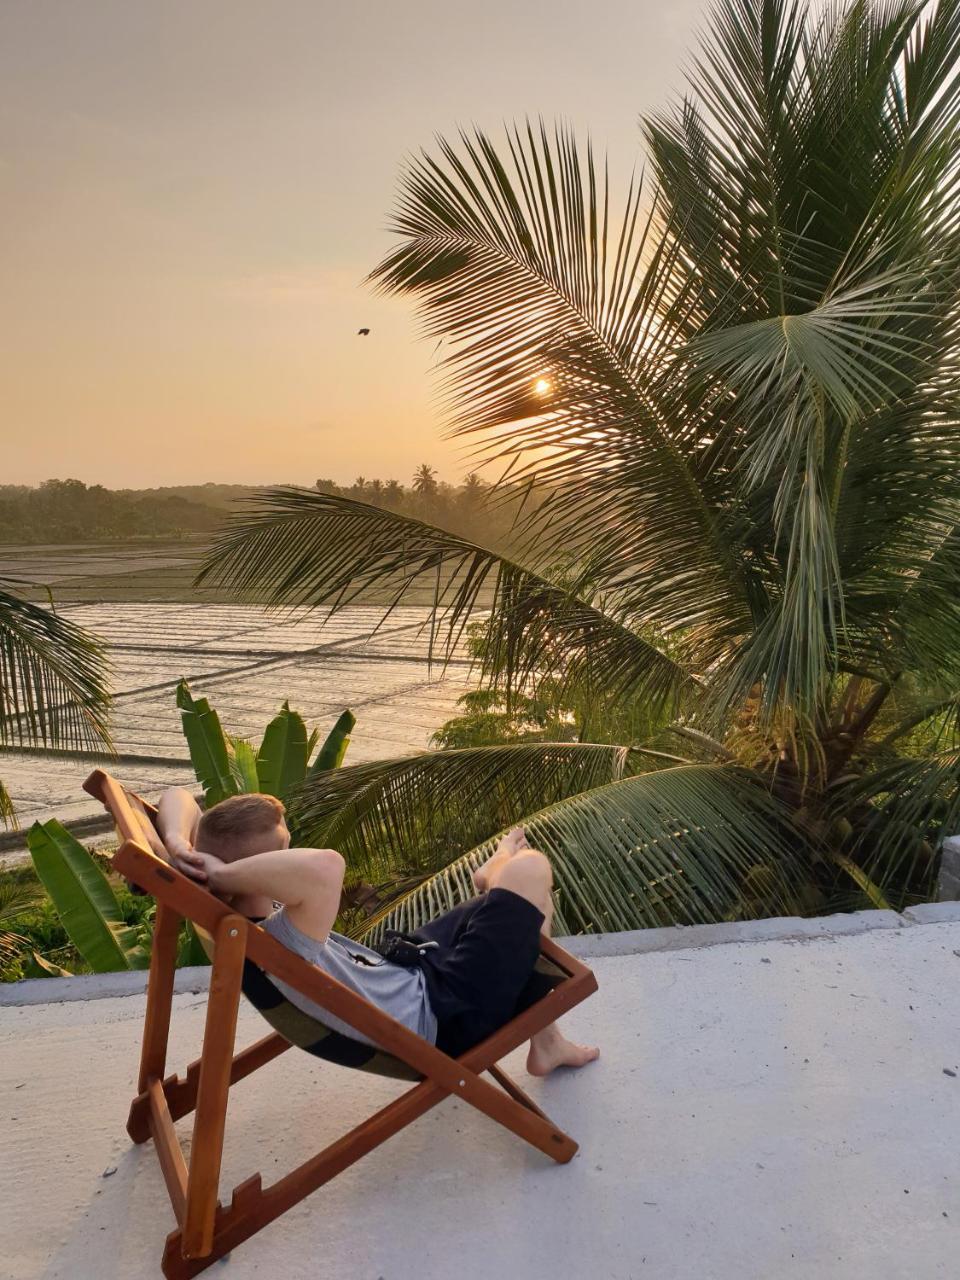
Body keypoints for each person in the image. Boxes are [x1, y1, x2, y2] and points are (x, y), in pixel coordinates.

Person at [157, 788, 599, 1076]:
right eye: (286, 847)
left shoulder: (252, 917)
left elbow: (178, 797)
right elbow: (327, 866)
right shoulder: (283, 938)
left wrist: (180, 844)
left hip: (414, 973)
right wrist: (227, 874)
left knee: (521, 905)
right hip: (445, 1014)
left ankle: (547, 1040)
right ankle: (497, 877)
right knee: (532, 870)